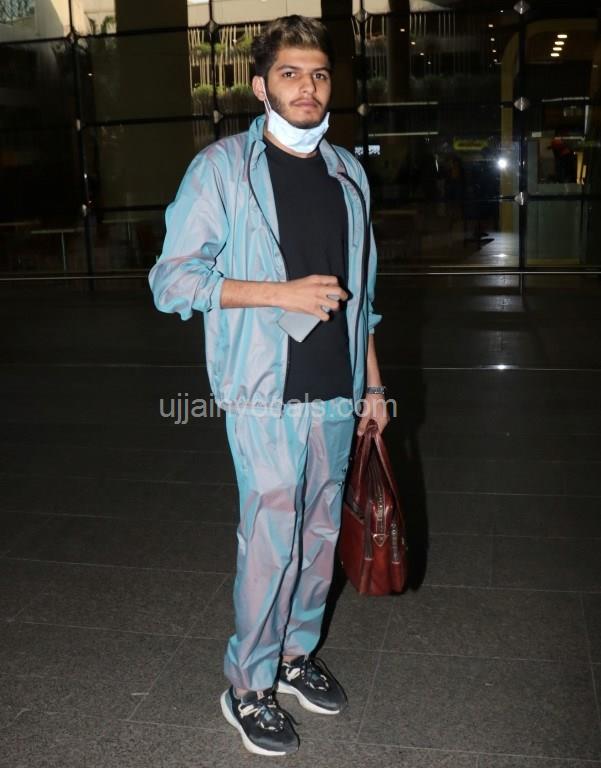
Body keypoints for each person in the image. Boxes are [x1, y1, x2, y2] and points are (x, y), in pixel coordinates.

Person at [148, 15, 388, 757]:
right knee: (270, 540)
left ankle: (293, 655)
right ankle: (247, 685)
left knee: (320, 534)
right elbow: (172, 281)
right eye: (290, 74)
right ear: (260, 86)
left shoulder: (348, 173)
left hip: (338, 386)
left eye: (318, 74)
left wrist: (374, 386)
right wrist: (278, 294)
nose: (307, 87)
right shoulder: (221, 169)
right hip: (262, 387)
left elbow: (362, 296)